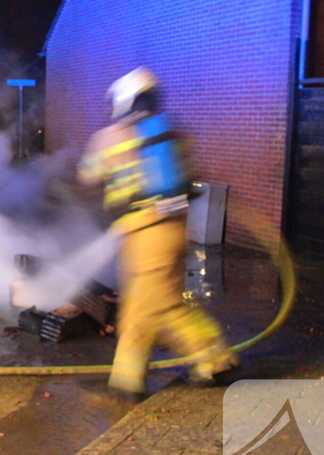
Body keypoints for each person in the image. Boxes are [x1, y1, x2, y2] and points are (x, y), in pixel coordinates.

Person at [77, 67, 237, 400]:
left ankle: (214, 359)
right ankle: (127, 379)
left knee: (159, 307)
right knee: (142, 305)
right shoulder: (172, 134)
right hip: (174, 229)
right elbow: (191, 180)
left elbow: (87, 176)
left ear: (123, 100)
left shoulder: (112, 137)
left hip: (143, 232)